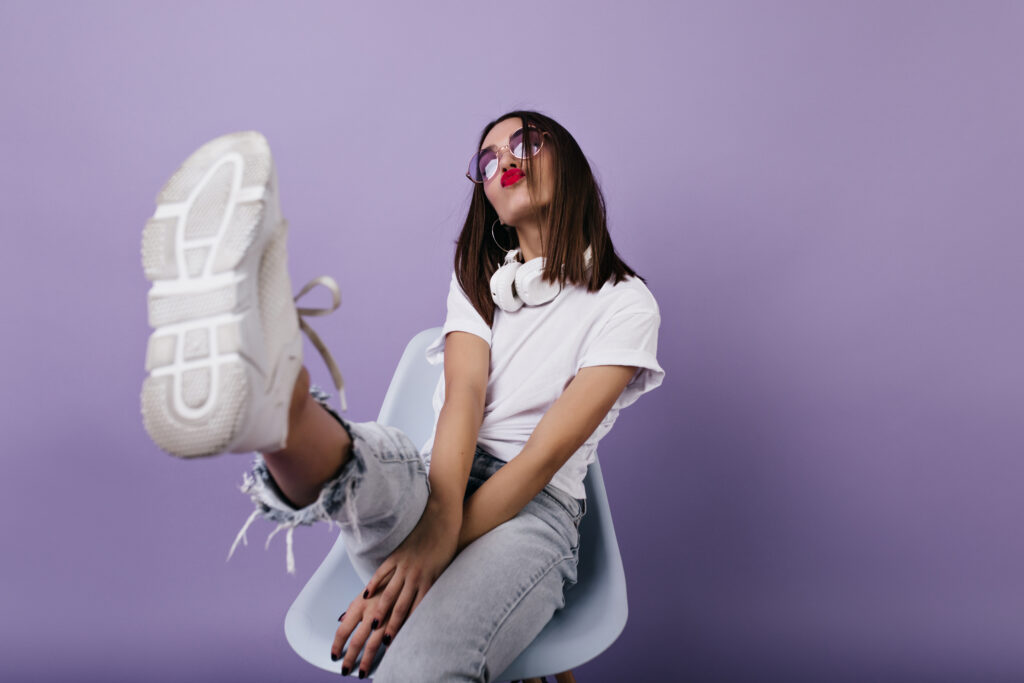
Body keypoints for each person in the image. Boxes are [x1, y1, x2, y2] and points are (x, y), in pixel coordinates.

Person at [139, 110, 664, 681]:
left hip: (532, 512)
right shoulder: (478, 278)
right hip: (441, 478)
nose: (505, 161)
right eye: (488, 160)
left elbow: (543, 455)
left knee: (416, 669)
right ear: (488, 200)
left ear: (571, 162)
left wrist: (432, 546)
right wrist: (436, 518)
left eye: (526, 142)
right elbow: (463, 397)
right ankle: (279, 407)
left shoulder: (625, 304)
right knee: (374, 470)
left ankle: (280, 406)